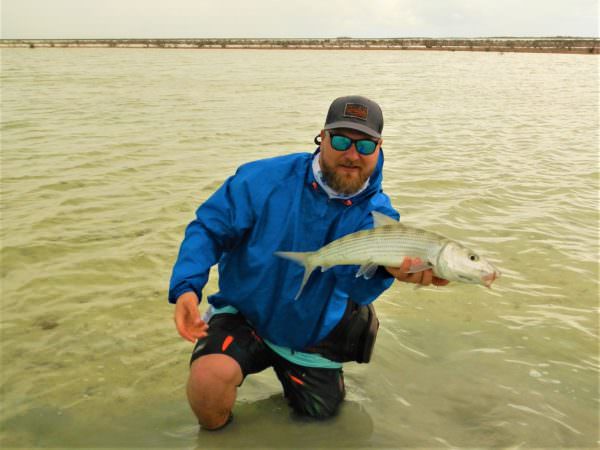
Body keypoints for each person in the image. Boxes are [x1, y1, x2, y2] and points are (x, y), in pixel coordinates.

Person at [169, 95, 448, 430]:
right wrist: (187, 288)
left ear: (379, 147)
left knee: (322, 422)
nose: (351, 154)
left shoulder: (379, 216)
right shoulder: (263, 179)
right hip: (245, 316)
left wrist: (387, 271)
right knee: (207, 382)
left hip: (312, 332)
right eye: (341, 140)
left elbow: (355, 288)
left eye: (365, 145)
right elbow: (209, 228)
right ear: (322, 137)